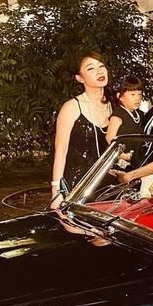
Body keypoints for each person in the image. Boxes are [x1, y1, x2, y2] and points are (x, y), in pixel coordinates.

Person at [51, 52, 112, 208]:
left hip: (109, 185)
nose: (99, 71)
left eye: (101, 66)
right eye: (91, 68)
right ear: (80, 78)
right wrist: (56, 191)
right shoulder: (71, 107)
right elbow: (61, 151)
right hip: (77, 185)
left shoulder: (115, 105)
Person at [105, 75, 144, 143]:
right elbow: (109, 138)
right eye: (132, 94)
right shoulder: (118, 115)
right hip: (123, 149)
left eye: (139, 94)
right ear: (119, 96)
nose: (137, 98)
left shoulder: (140, 114)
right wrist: (120, 149)